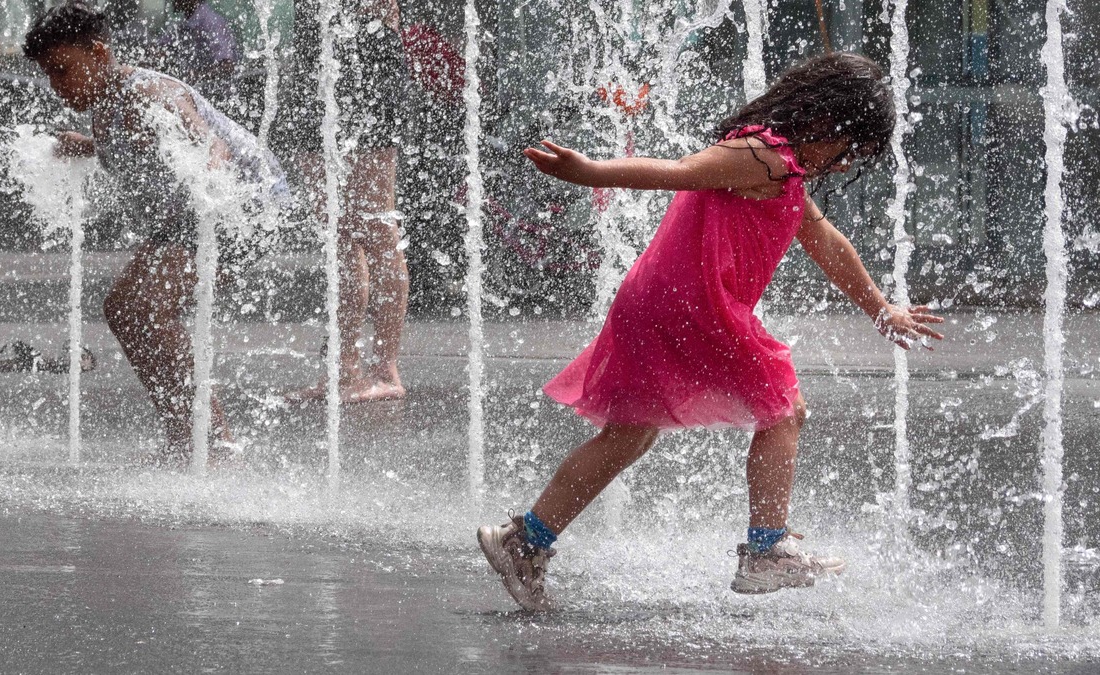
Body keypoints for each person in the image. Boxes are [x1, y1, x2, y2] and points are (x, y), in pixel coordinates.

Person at [477, 52, 946, 611]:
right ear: (826, 119)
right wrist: (591, 173)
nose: (844, 165)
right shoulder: (761, 155)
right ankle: (766, 551)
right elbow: (677, 171)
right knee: (784, 409)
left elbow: (825, 243)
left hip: (664, 303)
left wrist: (880, 307)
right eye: (849, 148)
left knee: (630, 433)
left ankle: (525, 540)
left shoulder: (782, 166)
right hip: (693, 309)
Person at [23, 2, 289, 465]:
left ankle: (208, 440)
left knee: (140, 307)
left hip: (241, 204)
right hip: (188, 215)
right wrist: (84, 147)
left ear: (99, 52)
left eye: (62, 69)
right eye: (49, 75)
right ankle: (195, 434)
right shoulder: (105, 104)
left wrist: (212, 167)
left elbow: (211, 141)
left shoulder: (147, 90)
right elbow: (131, 146)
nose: (57, 86)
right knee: (128, 309)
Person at [278, 0, 409, 404]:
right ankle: (344, 369)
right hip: (315, 59)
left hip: (366, 54)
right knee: (337, 232)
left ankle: (385, 368)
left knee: (377, 227)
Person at [154, 0, 240, 107]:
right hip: (199, 97)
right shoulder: (186, 24)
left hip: (220, 102)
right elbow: (159, 48)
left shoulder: (211, 23)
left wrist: (194, 75)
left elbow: (228, 66)